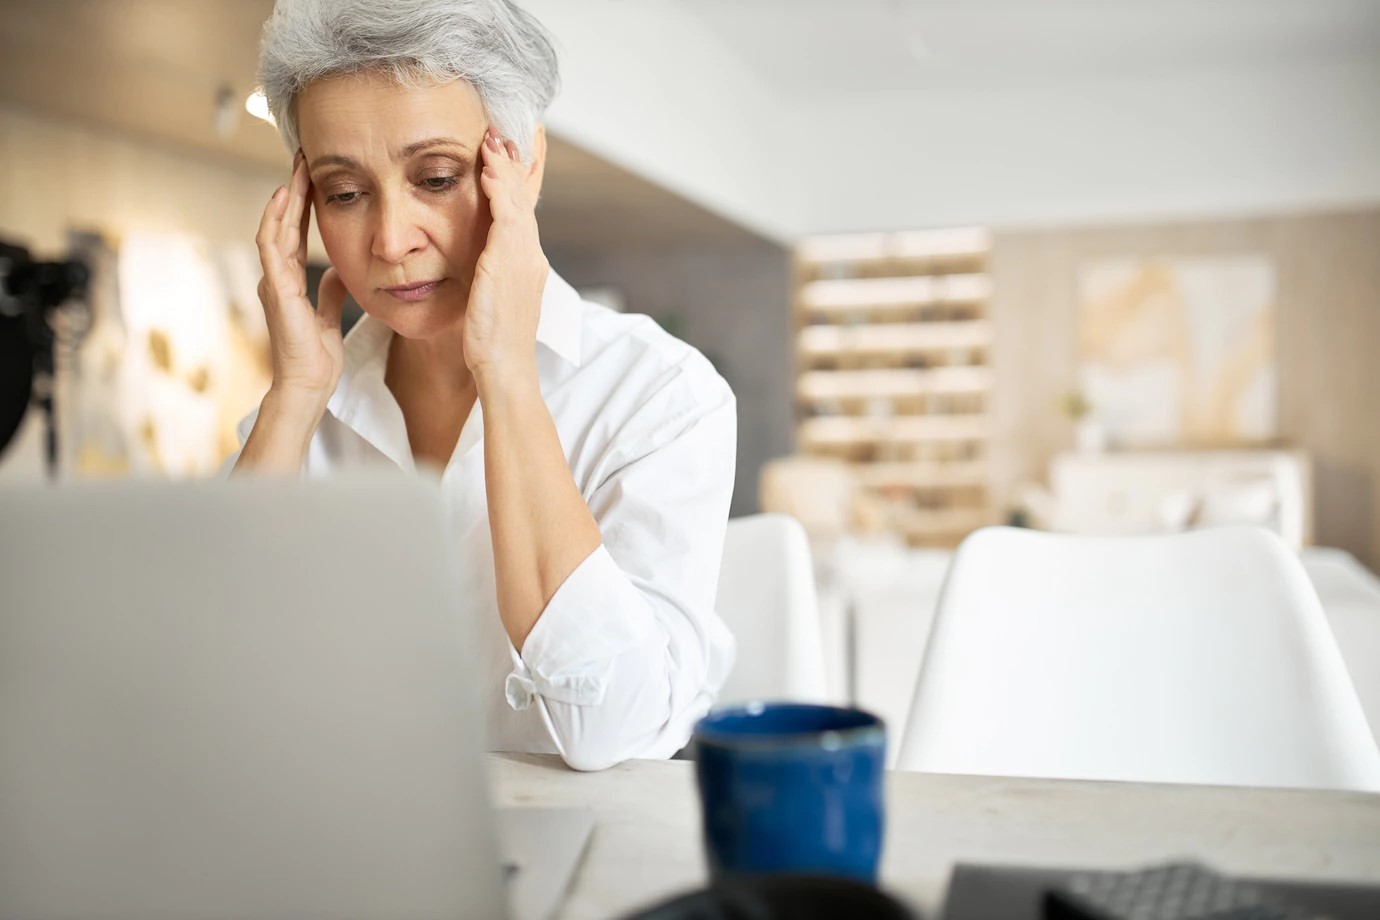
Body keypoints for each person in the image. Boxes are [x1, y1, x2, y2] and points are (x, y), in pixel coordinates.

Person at [231, 0, 737, 771]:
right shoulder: (301, 418)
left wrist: (507, 376)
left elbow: (609, 728)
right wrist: (295, 395)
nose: (392, 241)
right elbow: (203, 695)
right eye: (343, 192)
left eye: (435, 177)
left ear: (523, 167)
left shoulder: (661, 397)